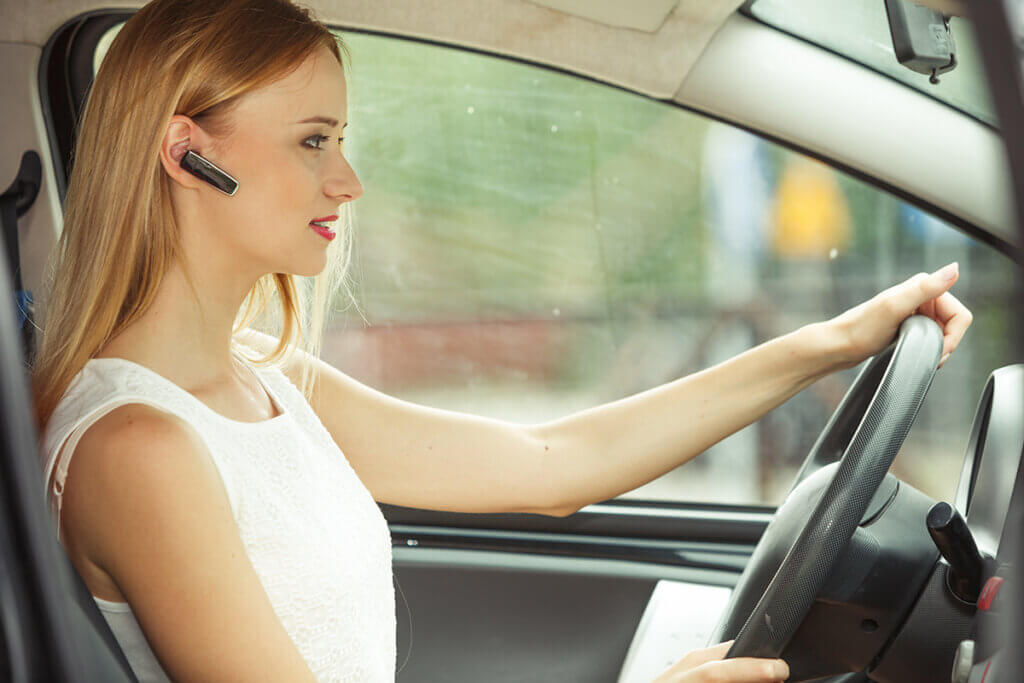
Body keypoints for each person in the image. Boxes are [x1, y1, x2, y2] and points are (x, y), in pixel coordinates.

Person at [29, 1, 974, 681]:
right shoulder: (137, 450)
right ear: (187, 153)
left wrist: (834, 341)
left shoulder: (272, 383)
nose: (349, 180)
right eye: (313, 141)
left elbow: (555, 461)